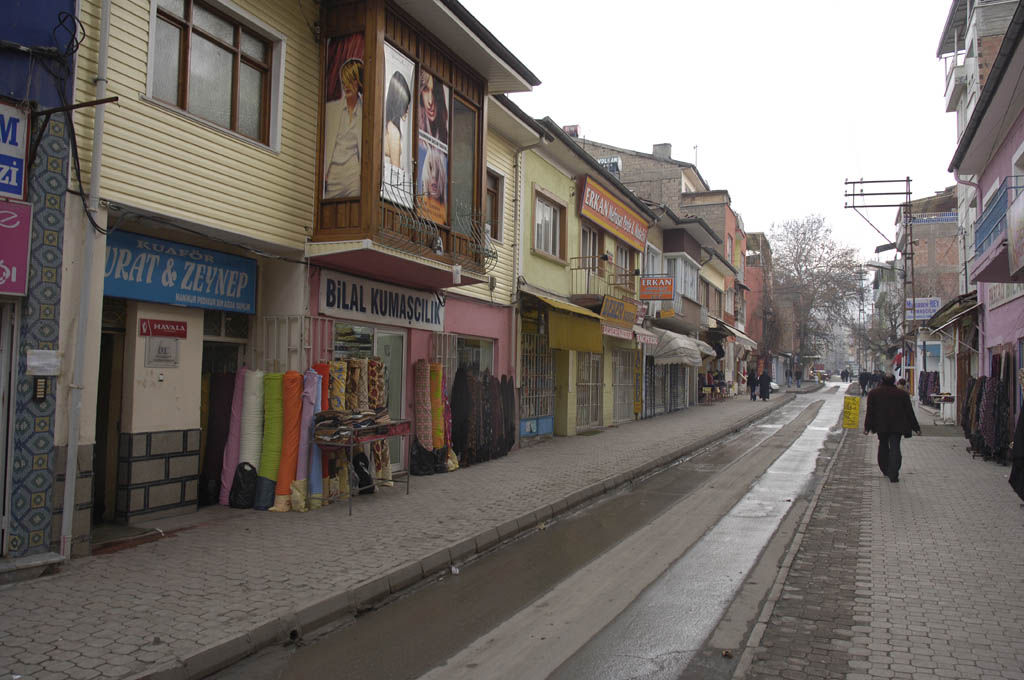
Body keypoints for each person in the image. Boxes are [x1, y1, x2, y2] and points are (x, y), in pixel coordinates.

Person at [864, 373, 921, 483]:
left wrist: (867, 427)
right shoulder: (902, 394)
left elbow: (870, 412)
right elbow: (909, 412)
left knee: (883, 445)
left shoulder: (874, 393)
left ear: (882, 380)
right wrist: (916, 427)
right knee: (895, 447)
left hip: (881, 425)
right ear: (894, 381)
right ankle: (894, 473)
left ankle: (885, 469)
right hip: (897, 426)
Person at [324, 58, 364, 199]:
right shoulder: (331, 110)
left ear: (359, 82)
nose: (346, 85)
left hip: (353, 175)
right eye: (344, 81)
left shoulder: (366, 114)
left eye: (351, 81)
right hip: (332, 174)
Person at [383, 71, 411, 170]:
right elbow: (395, 170)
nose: (408, 109)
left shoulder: (388, 126)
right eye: (406, 104)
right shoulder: (394, 132)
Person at [417, 71, 449, 143]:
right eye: (426, 90)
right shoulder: (416, 133)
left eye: (434, 92)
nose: (430, 101)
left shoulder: (444, 136)